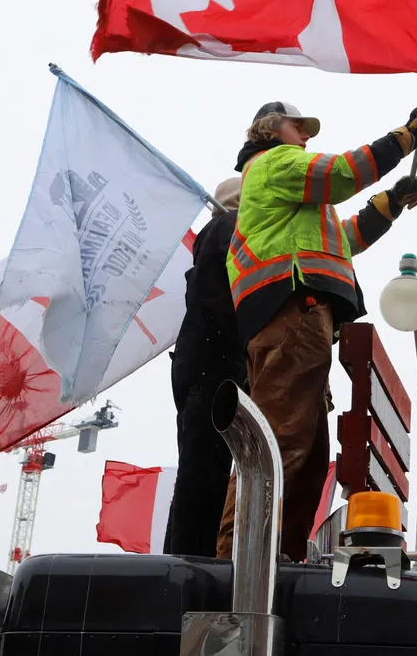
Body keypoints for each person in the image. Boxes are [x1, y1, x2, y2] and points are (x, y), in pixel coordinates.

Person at [216, 100, 417, 561]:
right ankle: (238, 560)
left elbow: (344, 239)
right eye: (299, 127)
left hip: (296, 317)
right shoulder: (274, 162)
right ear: (270, 130)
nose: (306, 135)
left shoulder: (290, 204)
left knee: (309, 455)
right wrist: (405, 138)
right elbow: (340, 174)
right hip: (293, 311)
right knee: (281, 439)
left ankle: (283, 558)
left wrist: (390, 203)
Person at [162, 177, 245, 557]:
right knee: (205, 473)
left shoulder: (214, 235)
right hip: (215, 366)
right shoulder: (230, 228)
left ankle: (187, 560)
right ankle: (193, 565)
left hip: (204, 365)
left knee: (201, 469)